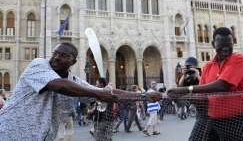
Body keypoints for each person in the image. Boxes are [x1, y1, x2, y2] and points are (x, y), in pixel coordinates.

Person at [0, 42, 162, 141]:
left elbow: (110, 93)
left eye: (63, 55)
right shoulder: (38, 64)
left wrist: (144, 95)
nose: (56, 57)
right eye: (55, 53)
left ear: (73, 62)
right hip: (8, 134)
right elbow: (58, 85)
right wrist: (98, 93)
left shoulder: (75, 83)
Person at [168, 27, 243, 141]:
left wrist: (186, 89)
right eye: (221, 45)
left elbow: (222, 85)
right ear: (213, 44)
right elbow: (203, 99)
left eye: (229, 44)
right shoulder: (207, 67)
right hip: (215, 122)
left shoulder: (239, 59)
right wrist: (181, 97)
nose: (226, 48)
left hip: (240, 121)